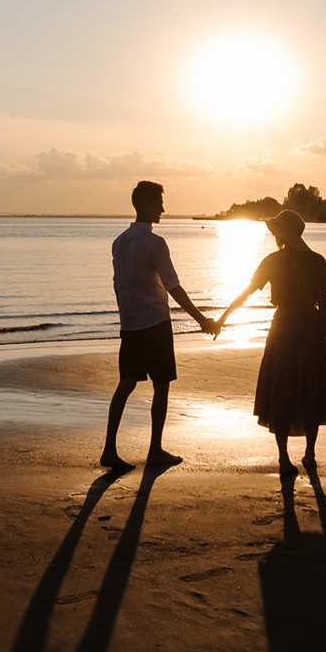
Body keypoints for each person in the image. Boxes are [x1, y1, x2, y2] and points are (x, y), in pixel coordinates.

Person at [100, 180, 220, 471]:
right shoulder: (155, 243)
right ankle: (154, 449)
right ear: (145, 205)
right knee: (161, 386)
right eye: (159, 204)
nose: (163, 210)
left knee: (126, 384)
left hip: (131, 325)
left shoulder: (119, 242)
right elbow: (173, 286)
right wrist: (202, 320)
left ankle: (109, 449)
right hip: (155, 323)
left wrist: (126, 318)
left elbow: (118, 286)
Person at [213, 209, 326, 476]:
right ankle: (310, 453)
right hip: (311, 326)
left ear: (281, 234)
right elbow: (324, 304)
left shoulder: (273, 260)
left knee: (282, 387)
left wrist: (222, 319)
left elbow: (246, 293)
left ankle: (283, 458)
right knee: (310, 387)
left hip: (283, 326)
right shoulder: (317, 260)